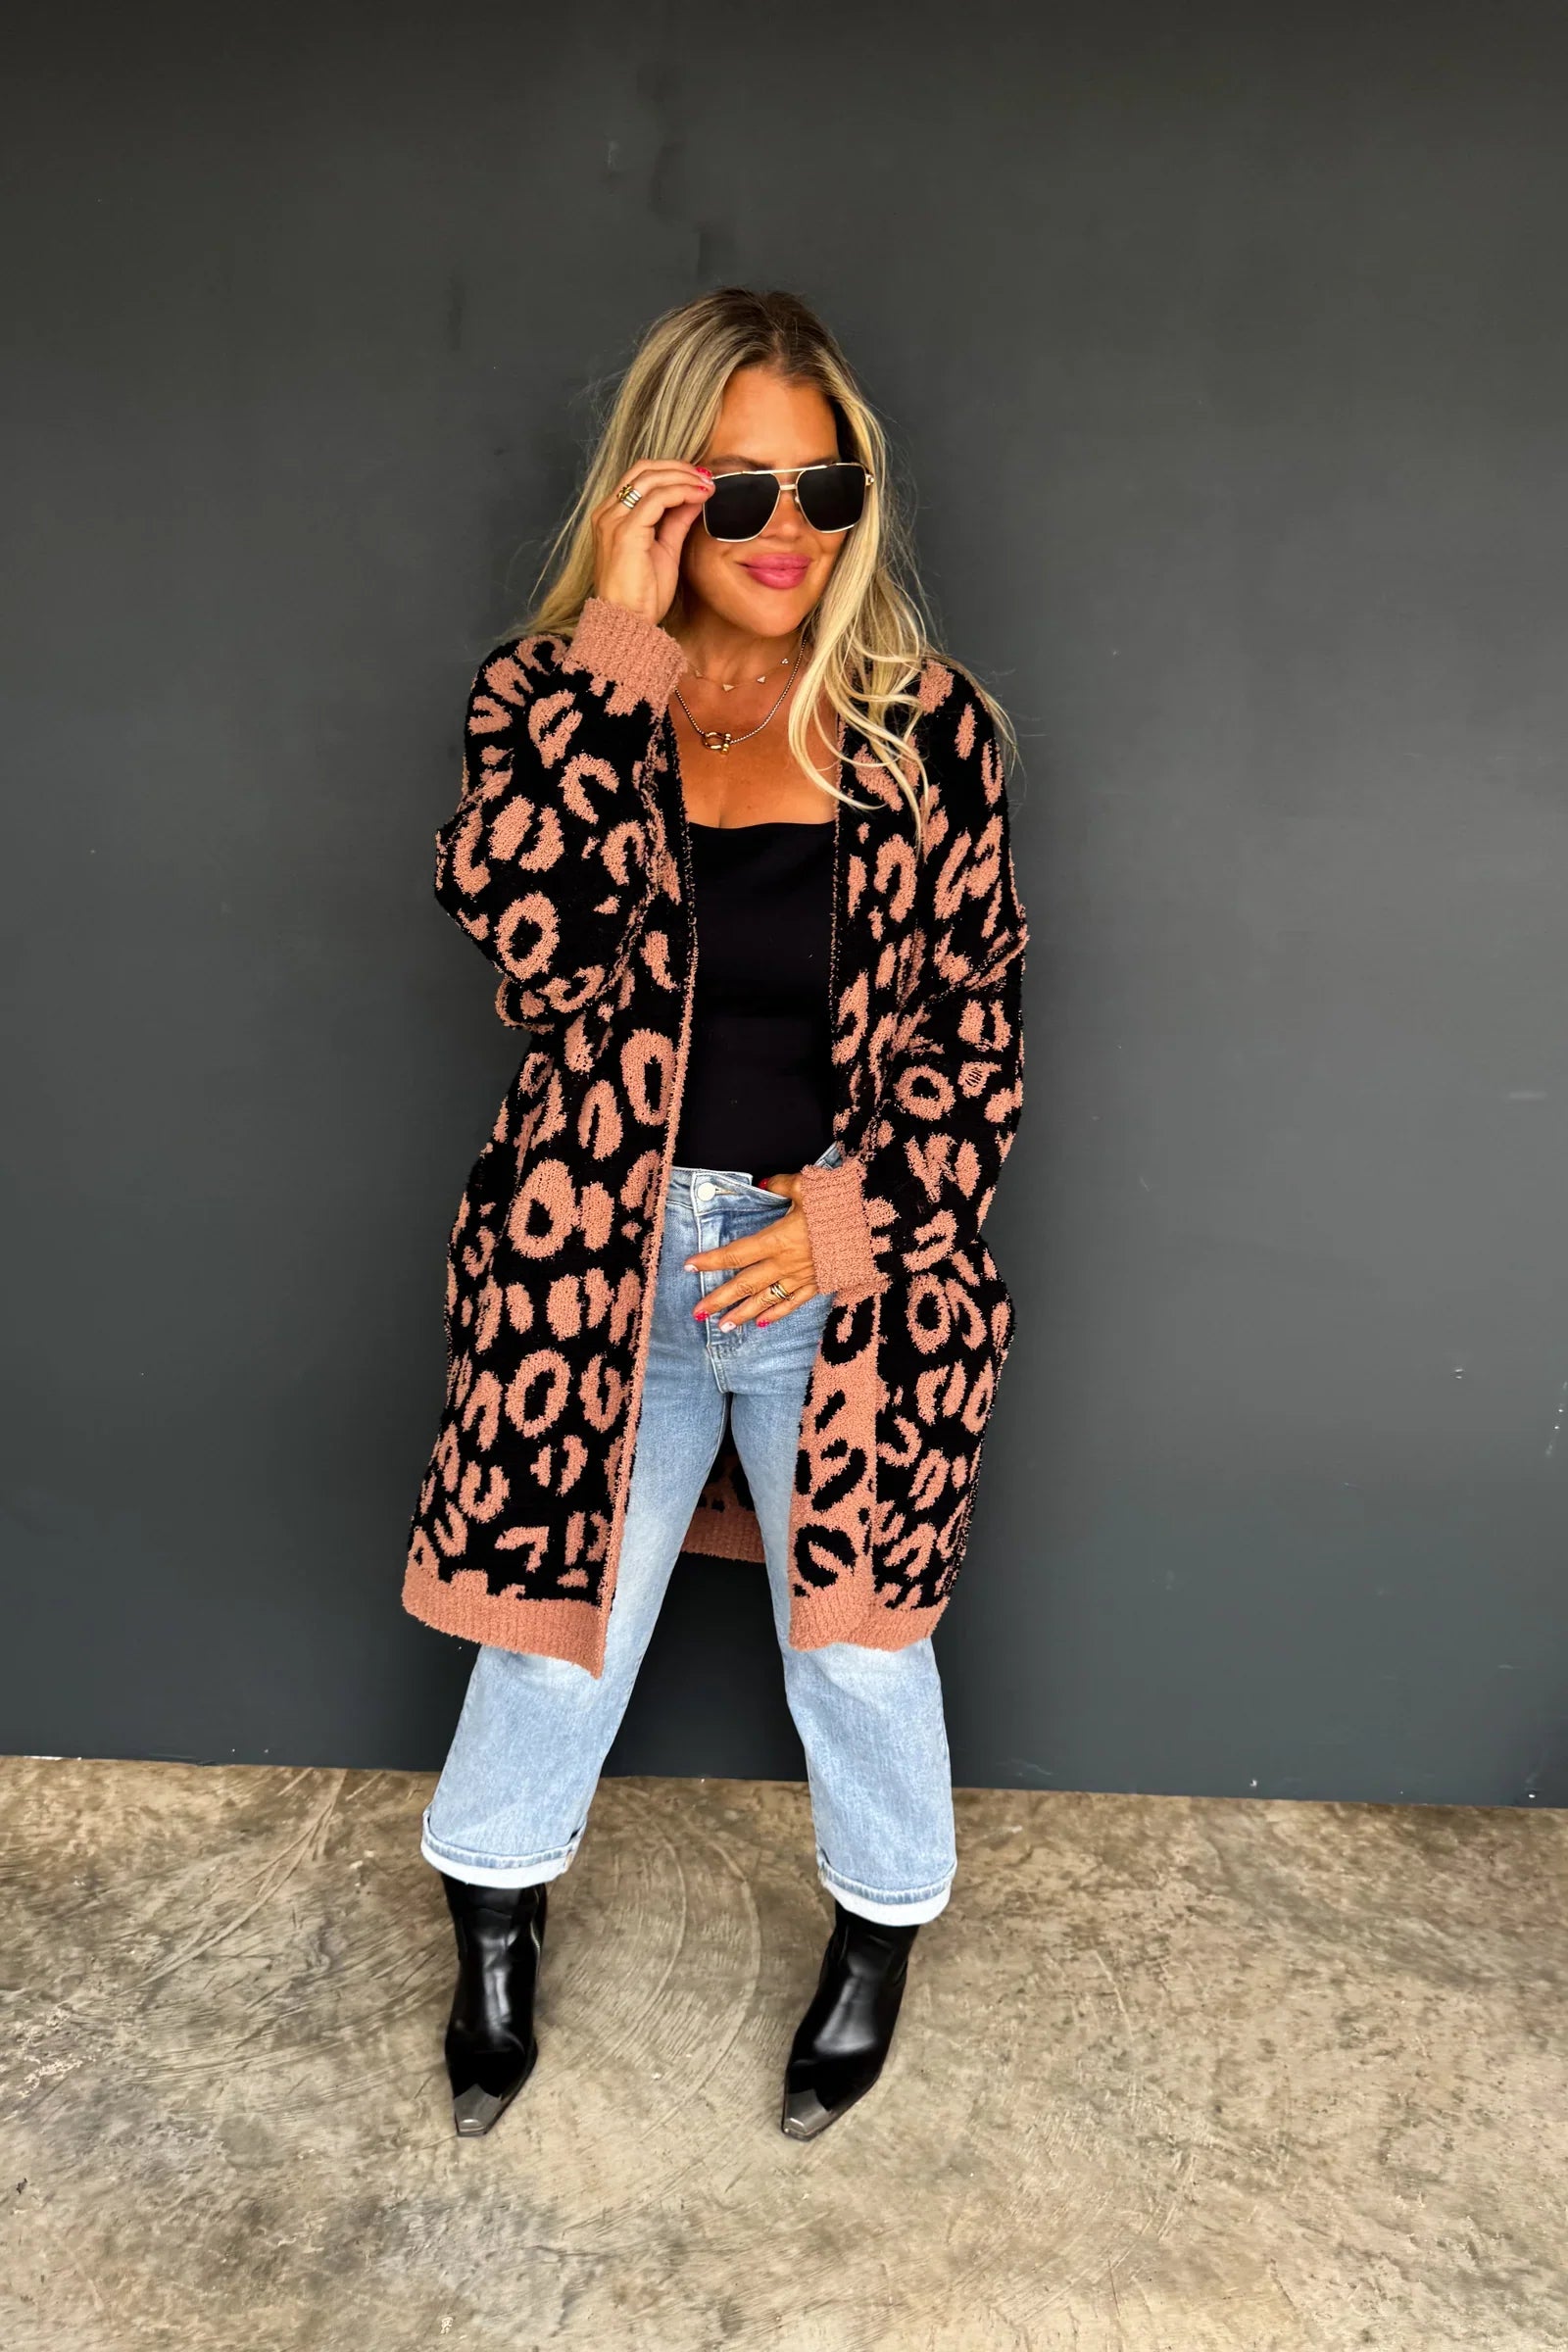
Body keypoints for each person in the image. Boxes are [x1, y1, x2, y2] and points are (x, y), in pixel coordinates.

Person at [402, 287, 1029, 2141]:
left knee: (859, 1643)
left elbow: (976, 1036)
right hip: (596, 1269)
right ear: (658, 494)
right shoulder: (545, 702)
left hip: (841, 1270)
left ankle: (880, 1931)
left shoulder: (925, 732)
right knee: (553, 1627)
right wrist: (613, 661)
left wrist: (847, 1229)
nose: (786, 530)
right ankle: (495, 1928)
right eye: (739, 490)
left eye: (823, 488)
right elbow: (542, 957)